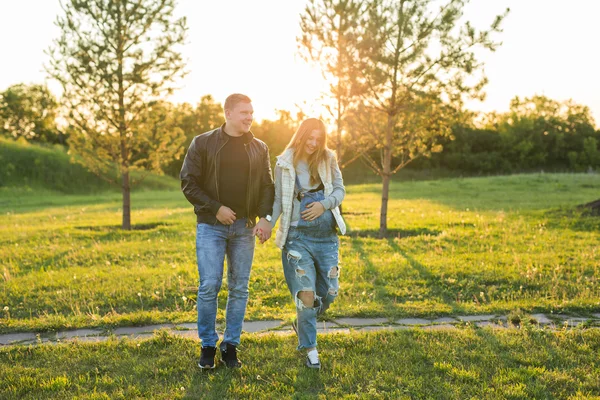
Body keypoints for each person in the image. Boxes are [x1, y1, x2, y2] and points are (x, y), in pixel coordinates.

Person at [180, 93, 274, 369]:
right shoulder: (203, 143)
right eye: (244, 112)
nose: (249, 117)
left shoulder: (260, 147)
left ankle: (231, 345)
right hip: (211, 227)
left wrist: (266, 218)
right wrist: (215, 207)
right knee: (209, 286)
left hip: (245, 227)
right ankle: (208, 345)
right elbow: (188, 182)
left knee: (239, 288)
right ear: (228, 113)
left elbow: (268, 186)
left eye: (251, 113)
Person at [269, 118, 346, 369]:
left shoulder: (328, 159)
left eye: (318, 139)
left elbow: (340, 191)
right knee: (306, 294)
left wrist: (323, 204)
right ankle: (311, 349)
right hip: (297, 238)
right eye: (309, 138)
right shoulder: (285, 163)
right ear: (300, 136)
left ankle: (303, 320)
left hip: (326, 238)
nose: (313, 144)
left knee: (331, 293)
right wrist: (267, 226)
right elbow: (279, 200)